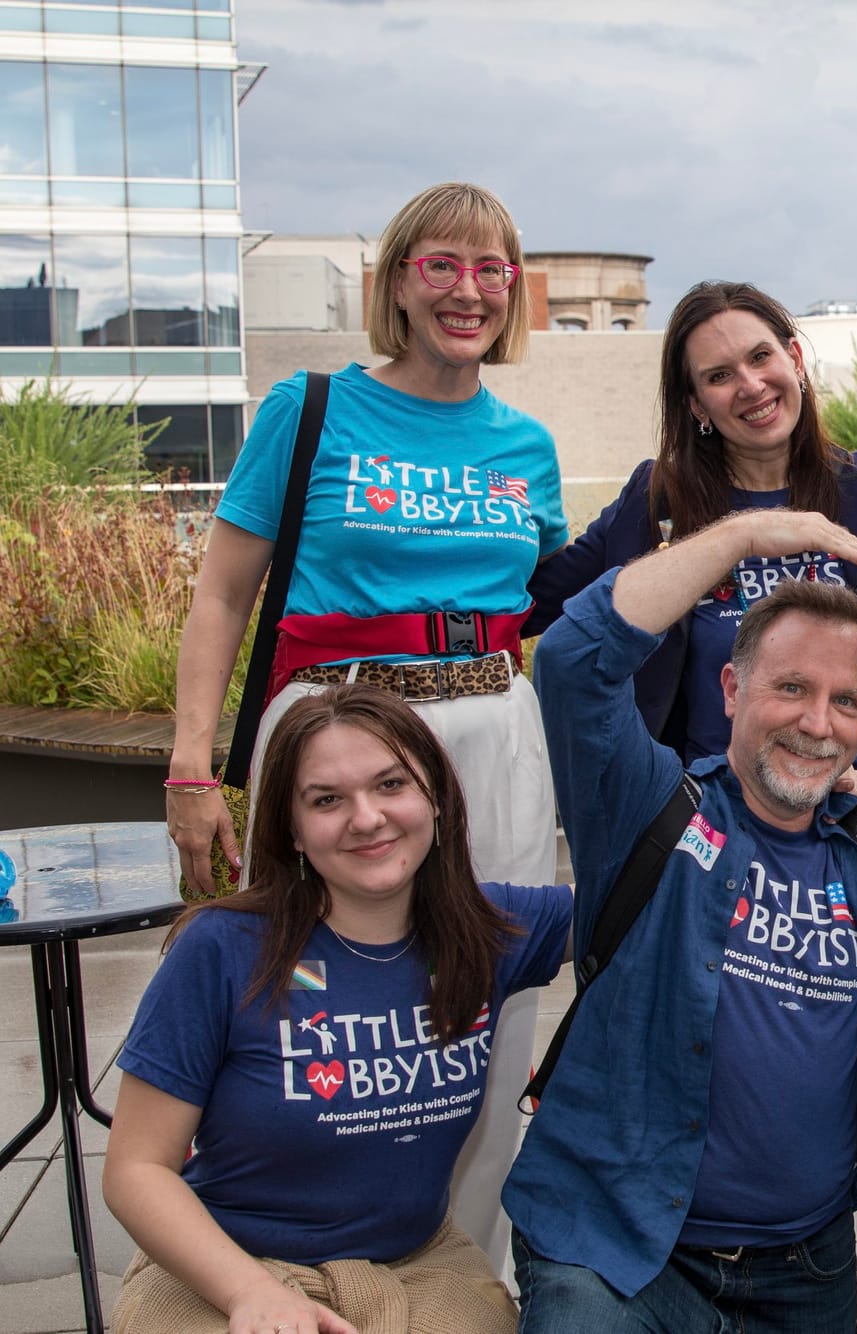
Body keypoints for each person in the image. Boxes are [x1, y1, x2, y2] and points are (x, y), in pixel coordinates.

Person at [504, 507, 857, 1333]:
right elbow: (572, 656)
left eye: (846, 701)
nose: (817, 724)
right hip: (616, 1251)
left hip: (803, 1267)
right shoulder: (647, 804)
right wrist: (739, 535)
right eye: (791, 688)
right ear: (732, 689)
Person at [163, 181, 566, 1263]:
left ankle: (456, 1269)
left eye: (491, 270)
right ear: (395, 282)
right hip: (335, 734)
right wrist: (191, 768)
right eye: (439, 264)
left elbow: (565, 610)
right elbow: (222, 593)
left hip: (493, 733)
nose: (466, 290)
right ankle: (276, 1251)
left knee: (485, 994)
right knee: (301, 993)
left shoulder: (526, 444)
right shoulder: (311, 408)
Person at [105, 685, 573, 1334]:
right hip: (226, 1266)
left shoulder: (488, 928)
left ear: (434, 795)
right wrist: (249, 1294)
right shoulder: (222, 949)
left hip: (420, 1266)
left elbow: (653, 893)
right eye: (327, 799)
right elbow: (134, 1169)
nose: (366, 817)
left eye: (390, 785)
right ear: (291, 828)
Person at [528, 280, 857, 795]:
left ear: (795, 358)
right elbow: (536, 607)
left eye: (761, 356)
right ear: (696, 405)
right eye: (719, 375)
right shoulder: (657, 504)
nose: (751, 385)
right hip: (717, 824)